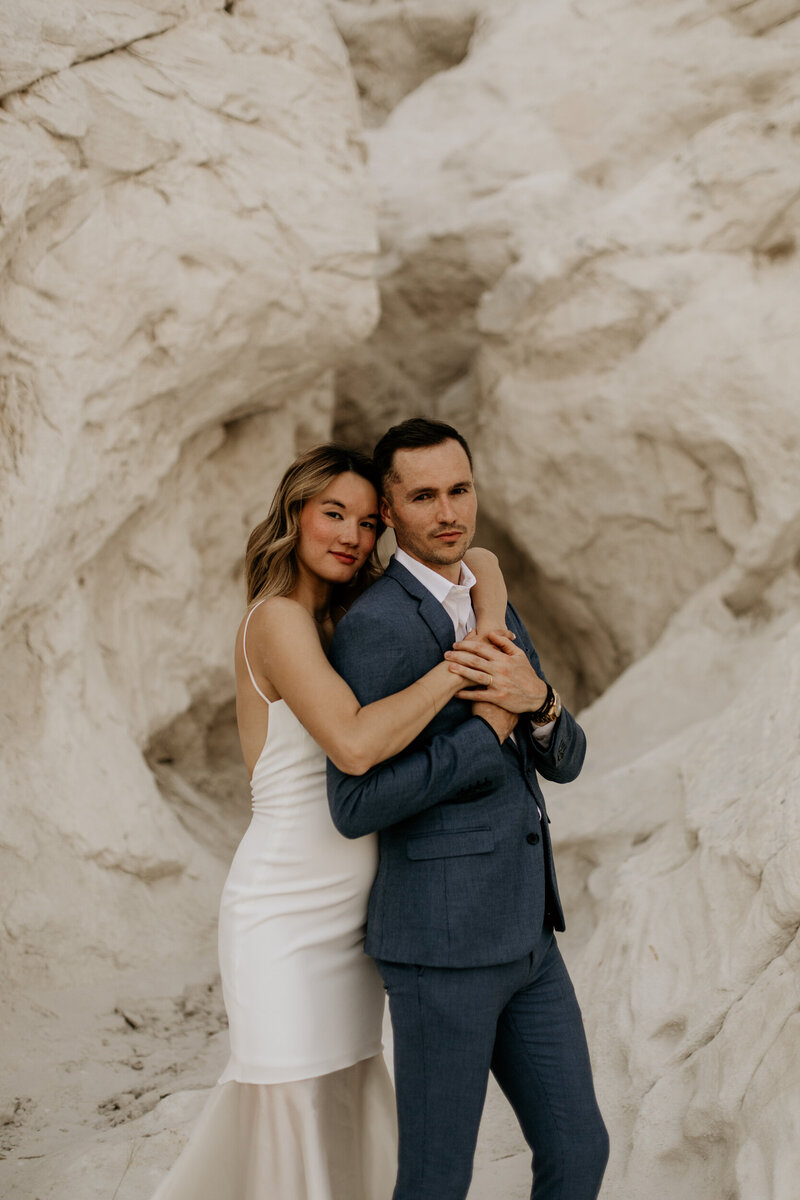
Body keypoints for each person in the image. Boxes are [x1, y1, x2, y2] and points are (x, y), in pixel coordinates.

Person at [151, 443, 510, 1200]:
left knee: (345, 1105)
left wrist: (491, 608)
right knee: (289, 1105)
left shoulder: (350, 616)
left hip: (360, 918)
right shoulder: (276, 619)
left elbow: (477, 552)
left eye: (367, 521)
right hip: (283, 911)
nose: (350, 534)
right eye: (332, 514)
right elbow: (350, 745)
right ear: (295, 515)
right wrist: (463, 664)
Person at [327, 418, 610, 1200]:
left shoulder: (491, 599)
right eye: (424, 496)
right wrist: (488, 732)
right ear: (388, 512)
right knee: (436, 1181)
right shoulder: (374, 629)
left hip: (529, 936)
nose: (449, 512)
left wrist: (543, 704)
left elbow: (568, 760)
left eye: (460, 489)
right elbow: (355, 803)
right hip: (440, 948)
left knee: (580, 1151)